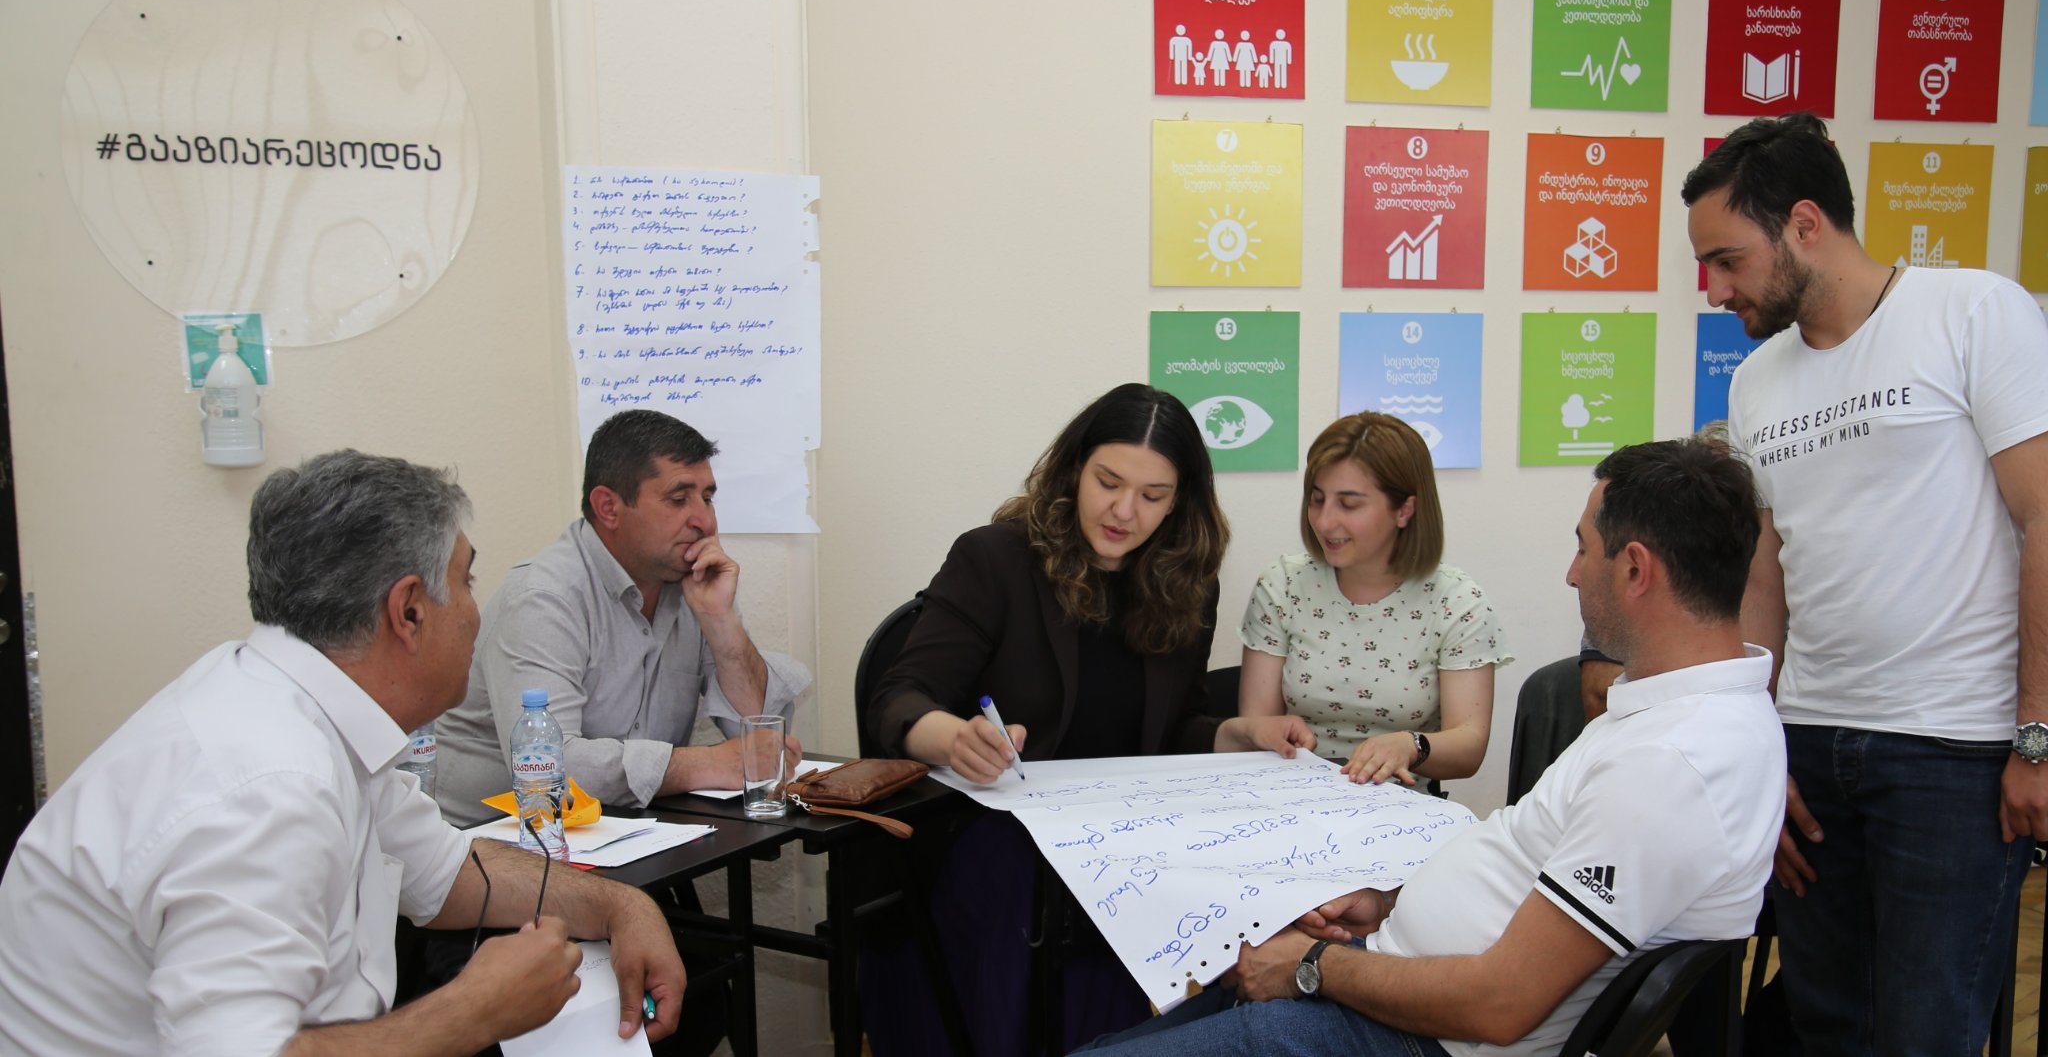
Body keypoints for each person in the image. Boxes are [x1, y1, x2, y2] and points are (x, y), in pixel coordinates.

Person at [1072, 437, 1784, 1057]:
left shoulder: (1668, 767)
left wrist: (1311, 965)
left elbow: (1501, 1004)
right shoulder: (1684, 715)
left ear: (1635, 569)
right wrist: (1390, 903)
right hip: (1390, 967)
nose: (1572, 573)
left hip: (1417, 1034)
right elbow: (1527, 874)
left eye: (1582, 548)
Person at [0, 450, 687, 1056]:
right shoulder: (269, 785)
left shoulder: (301, 707)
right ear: (408, 611)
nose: (476, 615)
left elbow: (447, 872)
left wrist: (621, 906)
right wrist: (473, 1010)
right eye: (467, 583)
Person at [1684, 111, 2048, 1054]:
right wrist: (1757, 744)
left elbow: (2043, 519)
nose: (1714, 289)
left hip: (1954, 752)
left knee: (1927, 1032)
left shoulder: (1975, 312)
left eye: (1727, 260)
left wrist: (2038, 738)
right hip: (1810, 746)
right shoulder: (1755, 380)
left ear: (1805, 224)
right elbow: (1766, 575)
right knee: (1826, 1024)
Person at [862, 383, 1312, 1057]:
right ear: (1074, 468)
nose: (1125, 511)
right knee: (1029, 879)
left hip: (1118, 835)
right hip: (999, 831)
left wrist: (1241, 733)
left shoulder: (1186, 581)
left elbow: (1175, 730)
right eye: (1108, 482)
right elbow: (899, 696)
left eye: (1153, 495)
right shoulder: (995, 559)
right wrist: (956, 739)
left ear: (1180, 501)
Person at [436, 409, 810, 826]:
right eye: (679, 499)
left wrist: (721, 620)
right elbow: (549, 769)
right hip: (498, 836)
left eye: (707, 498)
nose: (704, 521)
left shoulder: (696, 583)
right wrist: (704, 764)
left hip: (624, 829)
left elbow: (757, 743)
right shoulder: (542, 599)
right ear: (609, 508)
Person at [1239, 411, 1509, 786]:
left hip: (1402, 804)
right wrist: (1271, 735)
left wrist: (1412, 745)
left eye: (1349, 505)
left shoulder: (1458, 601)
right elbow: (1256, 728)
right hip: (1294, 797)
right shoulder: (1283, 584)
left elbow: (1469, 745)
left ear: (1405, 510)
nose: (1324, 521)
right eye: (1317, 499)